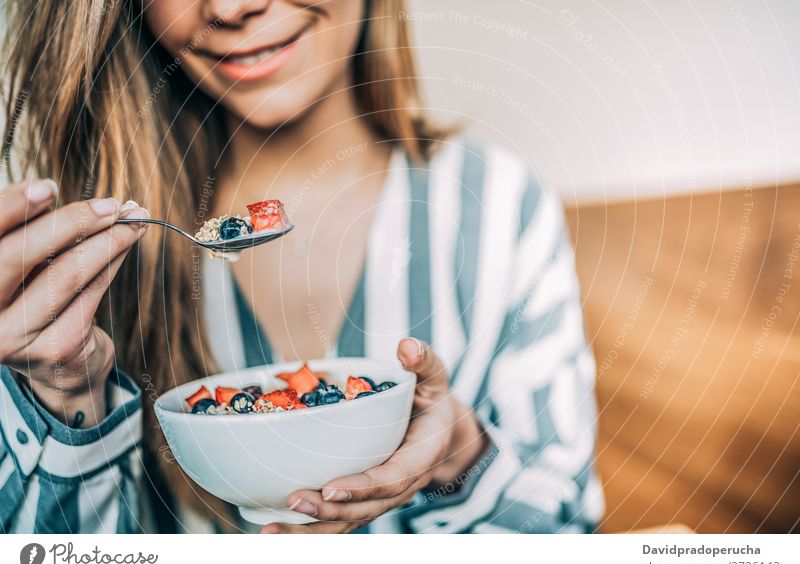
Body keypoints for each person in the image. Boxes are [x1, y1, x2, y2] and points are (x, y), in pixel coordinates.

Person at [0, 0, 603, 534]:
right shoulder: (84, 266)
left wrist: (455, 456)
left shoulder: (496, 202)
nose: (233, 7)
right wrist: (64, 397)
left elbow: (563, 532)